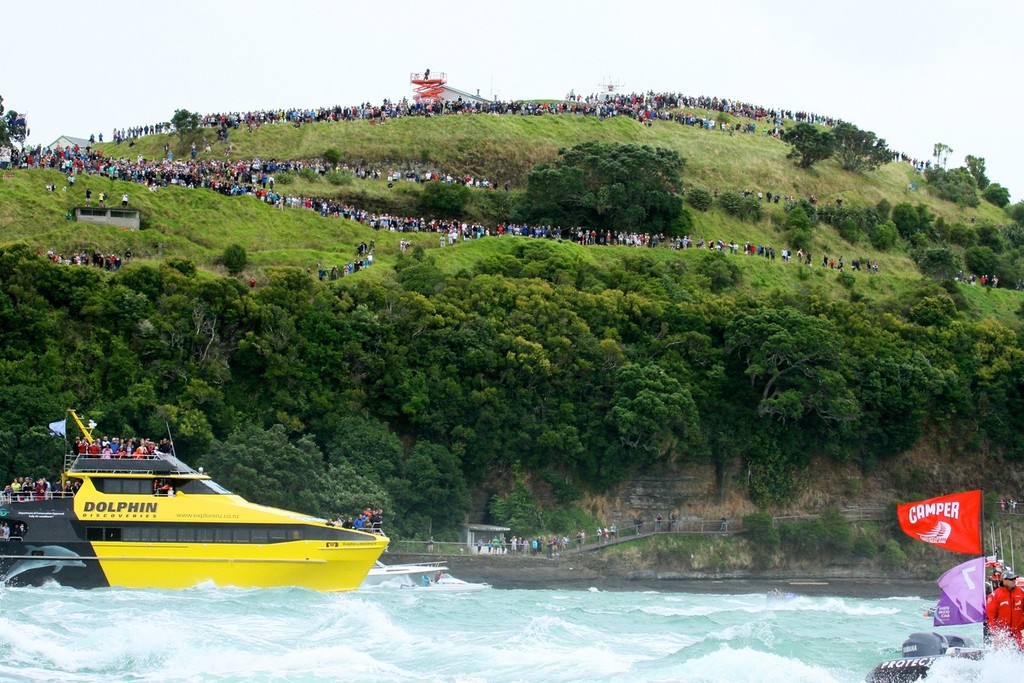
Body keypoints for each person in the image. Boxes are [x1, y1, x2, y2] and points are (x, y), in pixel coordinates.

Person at [986, 570, 1024, 648]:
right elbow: (990, 616)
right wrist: (994, 632)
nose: (1014, 581)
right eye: (1011, 579)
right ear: (1004, 580)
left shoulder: (1020, 593)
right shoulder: (995, 595)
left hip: (1018, 633)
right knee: (1003, 652)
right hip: (1002, 633)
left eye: (1014, 578)